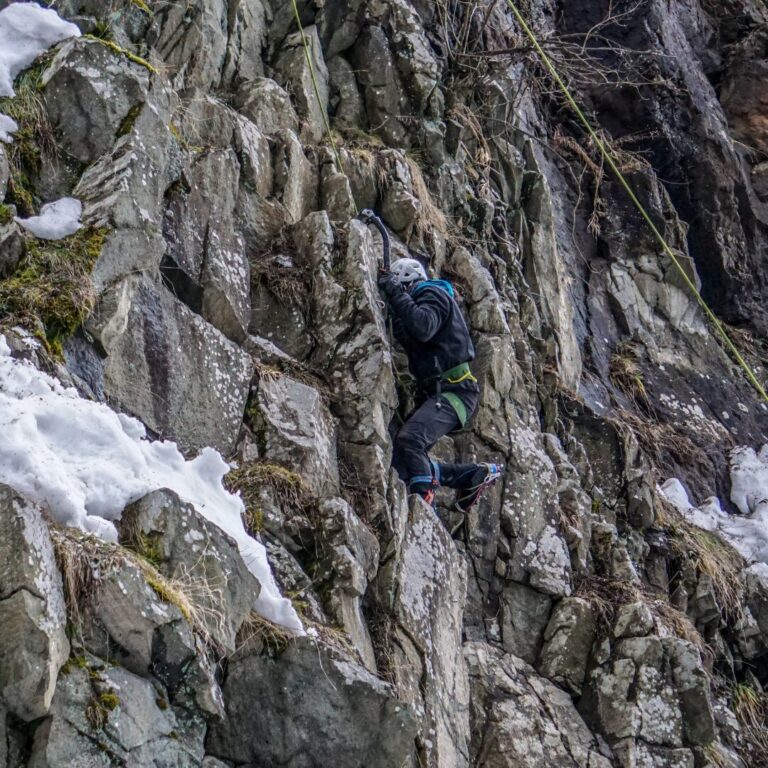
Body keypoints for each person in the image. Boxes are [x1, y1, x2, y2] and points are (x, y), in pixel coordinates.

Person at [377, 257, 502, 511]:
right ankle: (469, 475)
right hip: (442, 392)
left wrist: (392, 290)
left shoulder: (432, 293)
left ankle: (423, 502)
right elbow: (412, 329)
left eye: (403, 290)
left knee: (410, 440)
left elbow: (423, 326)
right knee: (401, 465)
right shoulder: (426, 300)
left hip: (454, 390)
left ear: (407, 284)